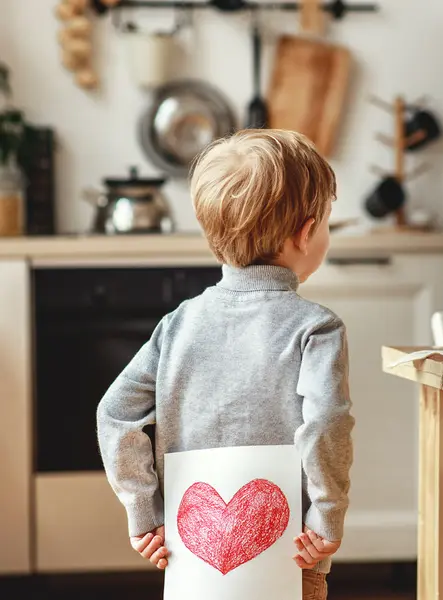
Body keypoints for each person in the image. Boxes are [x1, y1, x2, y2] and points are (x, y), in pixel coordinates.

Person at [96, 129, 355, 600]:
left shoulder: (178, 325)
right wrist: (326, 516)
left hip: (191, 561)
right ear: (305, 233)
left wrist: (145, 513)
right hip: (292, 559)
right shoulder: (316, 328)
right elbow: (326, 424)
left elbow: (114, 413)